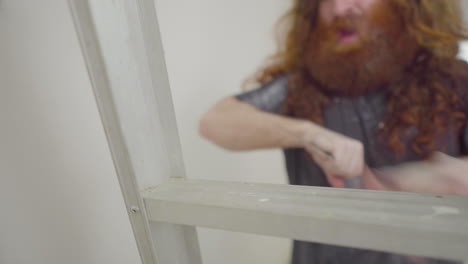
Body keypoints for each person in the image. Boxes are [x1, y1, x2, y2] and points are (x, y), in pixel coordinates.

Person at [199, 0, 468, 263]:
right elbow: (215, 122)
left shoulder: (456, 83)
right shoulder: (301, 88)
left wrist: (443, 177)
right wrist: (307, 133)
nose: (339, 8)